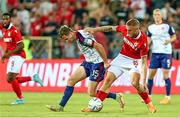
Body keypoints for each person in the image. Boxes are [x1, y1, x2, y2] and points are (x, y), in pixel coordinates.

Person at [82, 19, 156, 113]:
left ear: (137, 29)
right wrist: (95, 29)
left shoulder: (143, 40)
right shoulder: (125, 29)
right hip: (121, 58)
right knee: (108, 81)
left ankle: (149, 103)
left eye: (130, 30)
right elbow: (110, 28)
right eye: (127, 29)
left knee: (135, 83)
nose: (127, 32)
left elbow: (144, 61)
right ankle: (94, 107)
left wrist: (144, 81)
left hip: (135, 61)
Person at [46, 25, 125, 112]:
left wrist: (105, 62)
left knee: (91, 93)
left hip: (97, 64)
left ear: (70, 33)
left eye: (66, 39)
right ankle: (60, 107)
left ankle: (116, 96)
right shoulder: (79, 35)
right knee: (71, 80)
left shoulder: (83, 39)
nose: (67, 41)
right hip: (88, 62)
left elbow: (99, 46)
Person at [0, 13, 43, 105]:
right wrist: (5, 55)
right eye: (3, 19)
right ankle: (33, 77)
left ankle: (20, 98)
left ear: (10, 20)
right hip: (12, 56)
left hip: (18, 56)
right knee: (10, 79)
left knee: (10, 78)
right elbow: (9, 44)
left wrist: (8, 54)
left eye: (6, 19)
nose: (4, 21)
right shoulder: (4, 30)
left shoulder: (14, 30)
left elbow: (21, 45)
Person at [147, 9, 176, 104]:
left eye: (158, 14)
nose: (157, 16)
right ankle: (148, 96)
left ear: (162, 16)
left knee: (165, 75)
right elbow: (148, 39)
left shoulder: (167, 26)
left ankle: (167, 97)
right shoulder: (150, 27)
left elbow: (174, 37)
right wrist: (146, 47)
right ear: (153, 16)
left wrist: (169, 41)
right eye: (155, 14)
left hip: (166, 53)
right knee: (151, 75)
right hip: (155, 53)